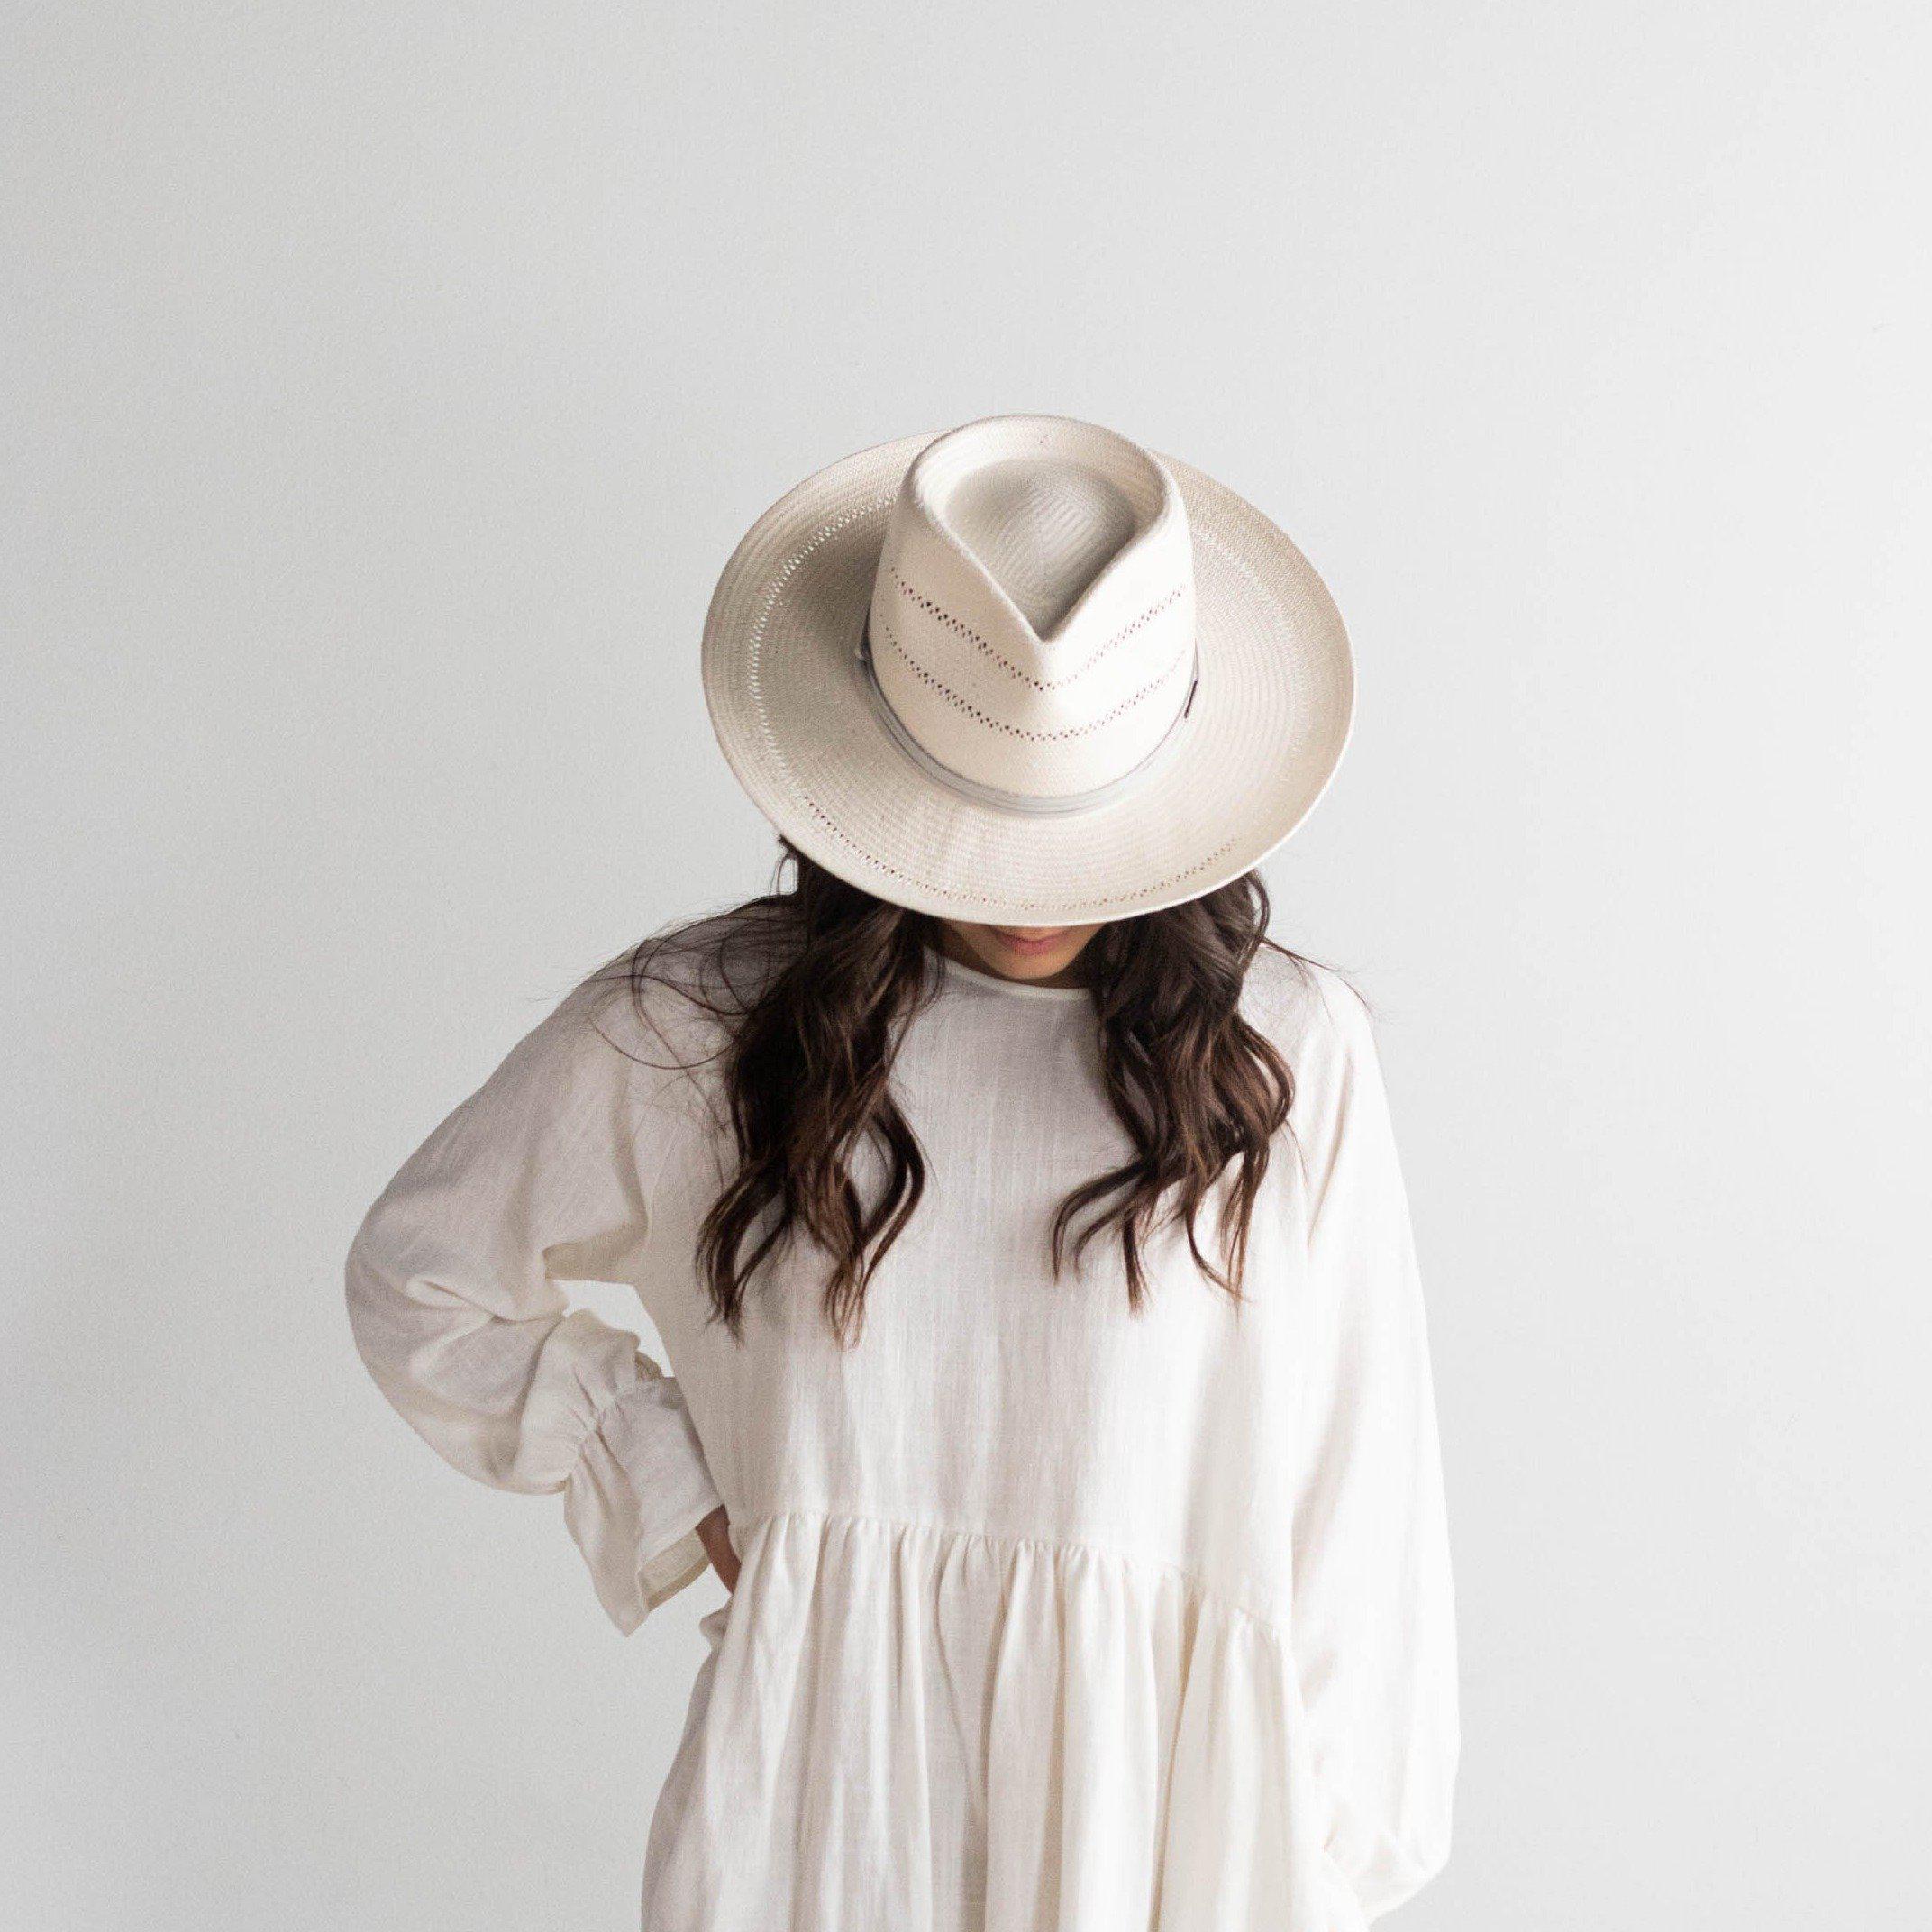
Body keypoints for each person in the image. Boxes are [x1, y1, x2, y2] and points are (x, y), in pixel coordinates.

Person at [346, 415, 1457, 1930]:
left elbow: (1361, 1508)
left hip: (1160, 1836)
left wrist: (1309, 1860)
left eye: (1068, 825)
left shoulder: (1284, 1054)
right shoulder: (704, 1031)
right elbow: (423, 1275)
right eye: (981, 815)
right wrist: (678, 1489)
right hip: (816, 1822)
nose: (1029, 892)